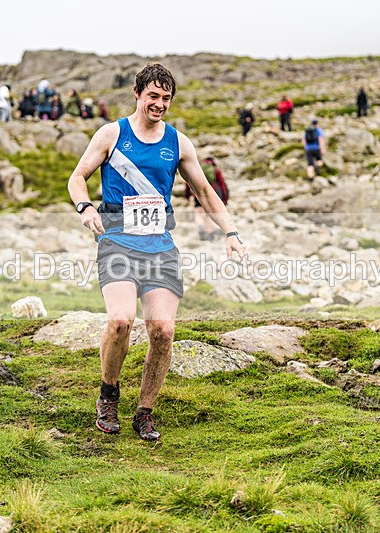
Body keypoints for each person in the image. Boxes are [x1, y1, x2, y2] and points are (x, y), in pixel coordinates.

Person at [67, 63, 247, 441]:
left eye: (166, 98)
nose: (160, 104)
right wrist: (85, 208)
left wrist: (230, 231)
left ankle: (145, 411)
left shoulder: (179, 143)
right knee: (120, 321)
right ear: (137, 94)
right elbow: (77, 177)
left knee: (163, 331)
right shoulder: (111, 133)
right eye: (153, 96)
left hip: (160, 246)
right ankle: (108, 395)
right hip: (117, 241)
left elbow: (204, 191)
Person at [185, 156, 230, 241]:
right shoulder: (215, 170)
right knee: (209, 214)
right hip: (212, 195)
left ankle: (201, 228)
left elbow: (188, 181)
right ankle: (210, 234)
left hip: (198, 194)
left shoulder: (199, 169)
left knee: (198, 213)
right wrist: (225, 198)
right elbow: (222, 184)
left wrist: (187, 196)